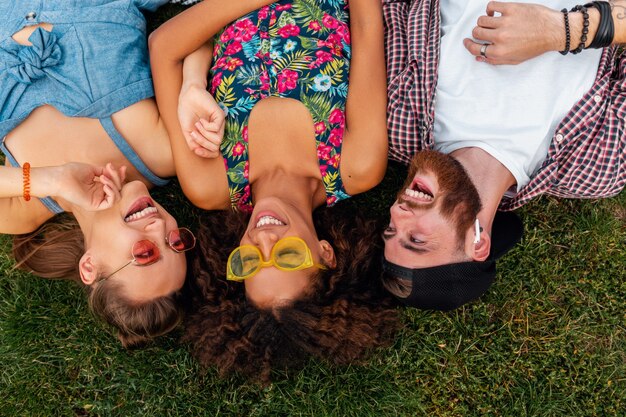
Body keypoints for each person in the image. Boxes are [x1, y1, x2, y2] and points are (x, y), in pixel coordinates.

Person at [149, 0, 397, 380]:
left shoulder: (210, 182)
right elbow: (366, 23)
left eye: (249, 261)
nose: (264, 239)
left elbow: (164, 48)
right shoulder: (355, 165)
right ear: (326, 253)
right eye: (288, 256)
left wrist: (193, 85)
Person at [381, 0, 625, 309]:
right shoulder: (594, 167)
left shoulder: (397, 122)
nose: (397, 214)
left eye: (390, 229)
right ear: (477, 243)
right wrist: (563, 31)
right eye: (416, 240)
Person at [0, 0, 199, 346]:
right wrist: (194, 86)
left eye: (144, 254)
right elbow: (193, 41)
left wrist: (53, 179)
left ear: (89, 266)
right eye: (174, 243)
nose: (159, 229)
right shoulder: (161, 155)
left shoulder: (26, 209)